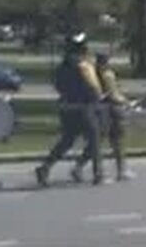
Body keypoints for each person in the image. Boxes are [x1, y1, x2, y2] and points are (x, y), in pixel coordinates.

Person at [36, 34, 104, 187]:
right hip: (84, 107)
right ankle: (97, 173)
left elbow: (57, 86)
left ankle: (45, 167)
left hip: (67, 107)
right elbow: (94, 88)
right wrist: (98, 98)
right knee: (95, 138)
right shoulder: (84, 65)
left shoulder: (62, 67)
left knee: (67, 140)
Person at [73, 53, 133, 182]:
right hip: (112, 110)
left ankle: (79, 166)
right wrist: (125, 102)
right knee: (117, 140)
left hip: (99, 110)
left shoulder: (93, 74)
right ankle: (121, 170)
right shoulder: (108, 75)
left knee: (96, 143)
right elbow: (113, 94)